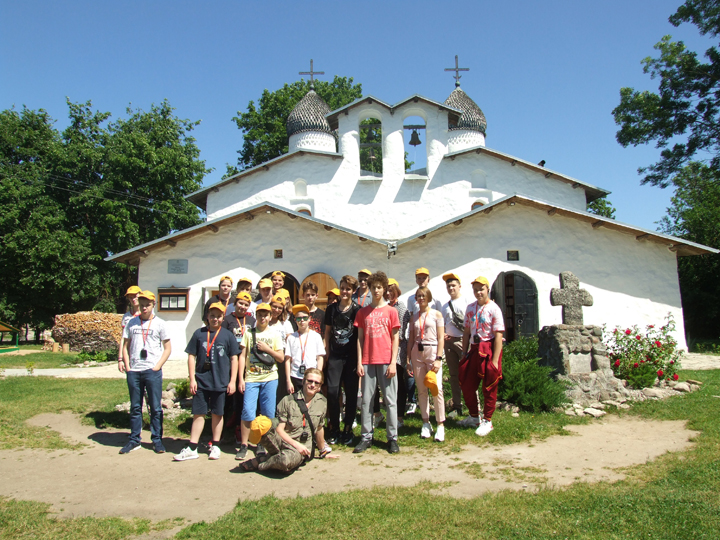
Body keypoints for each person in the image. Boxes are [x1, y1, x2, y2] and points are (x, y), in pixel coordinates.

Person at [174, 302, 240, 461]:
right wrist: (192, 379)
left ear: (223, 318)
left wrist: (232, 381)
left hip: (220, 381)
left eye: (218, 316)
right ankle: (193, 447)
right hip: (202, 381)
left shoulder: (227, 335)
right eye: (212, 316)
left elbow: (234, 358)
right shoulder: (199, 334)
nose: (215, 319)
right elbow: (191, 356)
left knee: (218, 413)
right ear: (207, 317)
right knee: (199, 414)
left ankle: (215, 445)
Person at [238, 368, 329, 473]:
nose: (312, 385)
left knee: (285, 461)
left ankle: (262, 462)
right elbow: (280, 430)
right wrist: (295, 444)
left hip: (301, 450)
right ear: (303, 381)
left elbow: (319, 428)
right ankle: (276, 458)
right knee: (260, 423)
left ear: (319, 387)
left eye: (316, 383)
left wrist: (323, 451)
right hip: (284, 441)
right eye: (310, 381)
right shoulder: (288, 400)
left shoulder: (322, 402)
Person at [353, 271, 401, 454]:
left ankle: (392, 438)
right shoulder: (362, 312)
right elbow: (359, 339)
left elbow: (395, 338)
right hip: (367, 361)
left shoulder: (391, 311)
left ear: (385, 289)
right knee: (366, 400)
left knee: (390, 401)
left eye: (380, 287)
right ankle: (366, 436)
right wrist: (359, 362)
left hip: (386, 361)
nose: (376, 290)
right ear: (370, 288)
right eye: (374, 287)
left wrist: (393, 363)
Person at [119, 290, 171, 454]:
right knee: (135, 407)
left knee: (155, 408)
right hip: (134, 370)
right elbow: (125, 345)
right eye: (142, 304)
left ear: (153, 304)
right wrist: (127, 366)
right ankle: (134, 439)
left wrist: (157, 366)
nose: (144, 307)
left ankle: (157, 440)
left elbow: (167, 348)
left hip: (152, 371)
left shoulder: (160, 324)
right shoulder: (131, 323)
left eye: (147, 304)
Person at [236, 303, 285, 460]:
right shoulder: (248, 333)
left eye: (266, 315)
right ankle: (244, 444)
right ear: (255, 316)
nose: (263, 317)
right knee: (248, 412)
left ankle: (263, 444)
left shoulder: (275, 334)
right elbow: (242, 356)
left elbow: (281, 358)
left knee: (268, 413)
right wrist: (241, 378)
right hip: (251, 378)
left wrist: (267, 349)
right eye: (260, 314)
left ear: (270, 317)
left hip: (270, 378)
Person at [459, 276, 505, 436]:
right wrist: (464, 353)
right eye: (475, 290)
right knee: (467, 384)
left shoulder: (494, 308)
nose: (478, 292)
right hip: (473, 348)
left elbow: (498, 335)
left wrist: (494, 361)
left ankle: (488, 420)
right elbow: (466, 332)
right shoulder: (470, 308)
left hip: (489, 347)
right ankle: (473, 416)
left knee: (489, 385)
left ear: (487, 289)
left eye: (481, 289)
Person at [324, 275, 361, 445]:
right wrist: (325, 354)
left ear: (353, 291)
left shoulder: (357, 310)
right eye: (343, 288)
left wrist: (360, 361)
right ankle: (334, 428)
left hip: (351, 357)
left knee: (351, 394)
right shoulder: (331, 310)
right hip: (335, 355)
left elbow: (360, 338)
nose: (344, 291)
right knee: (332, 391)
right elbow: (327, 332)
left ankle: (348, 428)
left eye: (348, 289)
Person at [408, 286, 446, 442]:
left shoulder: (437, 314)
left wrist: (439, 358)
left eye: (423, 295)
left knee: (436, 389)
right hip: (417, 352)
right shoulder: (414, 317)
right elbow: (411, 338)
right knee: (422, 390)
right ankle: (425, 422)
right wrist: (408, 359)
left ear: (428, 297)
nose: (421, 298)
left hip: (432, 351)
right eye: (418, 296)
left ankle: (440, 424)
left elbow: (441, 338)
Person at [405, 267, 442, 415]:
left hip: (432, 345)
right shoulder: (410, 299)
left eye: (424, 277)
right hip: (417, 344)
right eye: (419, 278)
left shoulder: (436, 299)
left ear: (428, 279)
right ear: (416, 280)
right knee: (420, 385)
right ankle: (423, 415)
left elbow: (439, 322)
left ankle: (440, 420)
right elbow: (412, 319)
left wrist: (439, 354)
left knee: (435, 383)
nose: (421, 280)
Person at [221, 291, 256, 444]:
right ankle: (222, 429)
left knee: (242, 395)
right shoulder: (227, 320)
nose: (242, 306)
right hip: (230, 361)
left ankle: (239, 428)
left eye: (246, 304)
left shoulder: (252, 320)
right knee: (228, 395)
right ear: (235, 304)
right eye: (240, 303)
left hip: (246, 361)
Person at [441, 272, 470, 417]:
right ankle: (457, 406)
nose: (451, 288)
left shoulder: (466, 303)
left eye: (453, 285)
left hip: (463, 341)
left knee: (468, 375)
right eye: (448, 286)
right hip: (449, 342)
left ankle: (473, 407)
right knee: (454, 375)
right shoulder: (445, 306)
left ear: (459, 286)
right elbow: (443, 323)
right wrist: (444, 333)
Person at [285, 304, 326, 393]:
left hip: (312, 377)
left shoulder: (316, 336)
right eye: (299, 318)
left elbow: (320, 358)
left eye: (305, 318)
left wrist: (318, 378)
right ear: (295, 320)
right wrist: (288, 381)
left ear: (310, 319)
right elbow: (287, 360)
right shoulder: (291, 338)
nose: (302, 320)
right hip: (295, 377)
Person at [386, 279, 410, 429]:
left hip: (399, 349)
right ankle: (391, 414)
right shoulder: (385, 307)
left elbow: (400, 333)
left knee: (399, 384)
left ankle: (400, 416)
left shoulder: (400, 307)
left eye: (391, 291)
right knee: (389, 385)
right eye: (387, 291)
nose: (389, 294)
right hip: (386, 348)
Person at [269, 292, 295, 403]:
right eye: (274, 306)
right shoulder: (265, 321)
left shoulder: (286, 323)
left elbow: (290, 341)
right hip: (267, 355)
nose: (276, 310)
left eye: (279, 308)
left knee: (281, 385)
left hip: (281, 356)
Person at [118, 285, 141, 370]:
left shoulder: (147, 315)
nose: (133, 299)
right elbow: (123, 338)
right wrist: (120, 359)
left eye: (135, 296)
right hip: (130, 354)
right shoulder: (126, 317)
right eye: (130, 297)